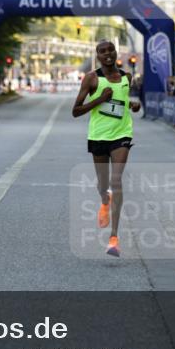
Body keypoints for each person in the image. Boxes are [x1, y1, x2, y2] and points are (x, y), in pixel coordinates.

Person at [72, 41, 141, 258]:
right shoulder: (92, 78)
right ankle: (104, 201)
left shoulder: (127, 77)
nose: (107, 54)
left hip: (122, 134)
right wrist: (100, 99)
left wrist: (133, 105)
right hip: (98, 136)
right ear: (98, 56)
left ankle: (114, 238)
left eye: (110, 50)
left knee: (116, 181)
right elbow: (76, 110)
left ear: (116, 52)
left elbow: (122, 102)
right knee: (103, 185)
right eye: (103, 52)